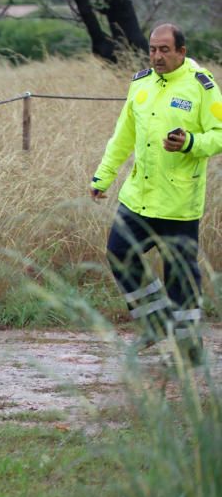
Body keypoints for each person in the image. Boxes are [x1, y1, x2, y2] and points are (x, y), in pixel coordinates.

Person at [90, 23, 222, 364]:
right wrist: (102, 177)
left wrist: (190, 143)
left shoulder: (201, 85)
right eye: (152, 49)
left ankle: (189, 347)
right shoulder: (141, 83)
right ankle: (155, 321)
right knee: (119, 253)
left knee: (179, 274)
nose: (157, 56)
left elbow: (219, 134)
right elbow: (122, 137)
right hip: (138, 196)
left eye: (165, 50)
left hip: (179, 202)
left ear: (182, 51)